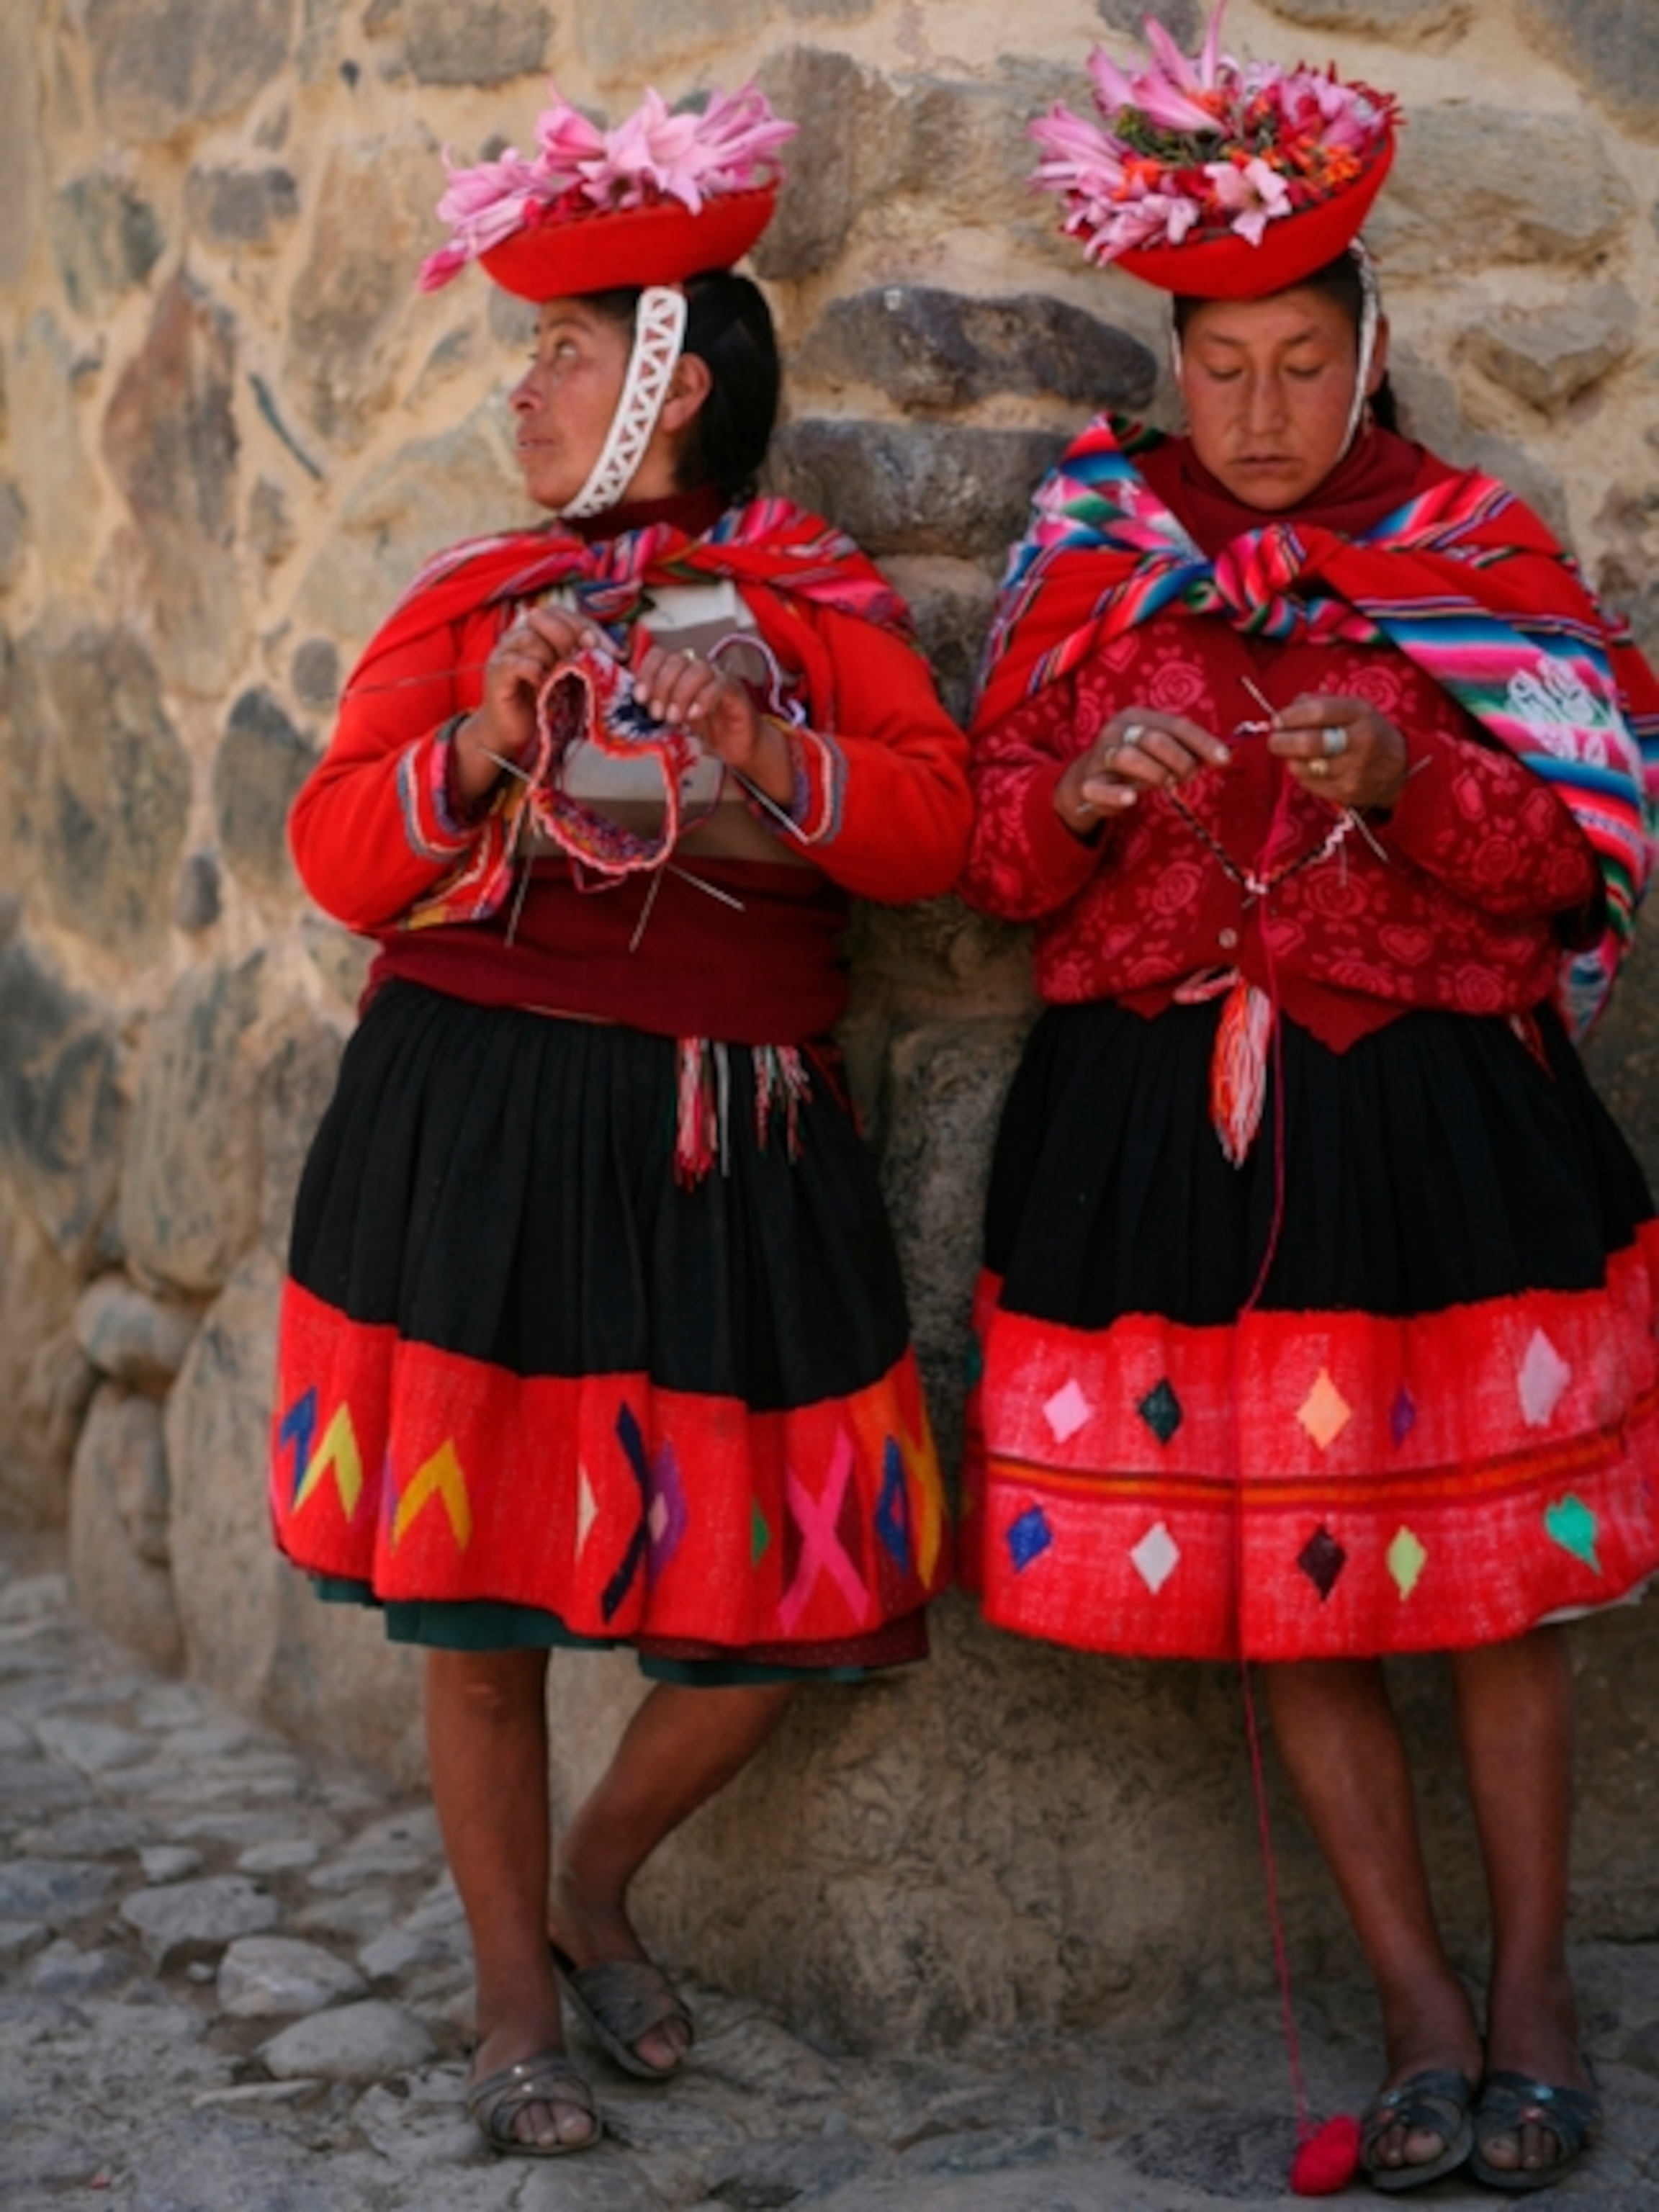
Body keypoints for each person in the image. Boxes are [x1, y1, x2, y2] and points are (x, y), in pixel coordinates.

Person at [960, 7, 1659, 2195]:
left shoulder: (1476, 552)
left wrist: (1420, 773)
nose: (1255, 415)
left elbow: (1577, 859)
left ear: (1366, 359)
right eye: (1220, 368)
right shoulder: (1091, 556)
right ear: (1176, 364)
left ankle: (1535, 1989)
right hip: (1176, 1130)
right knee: (1301, 1585)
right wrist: (1077, 787)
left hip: (1430, 1134)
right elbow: (991, 859)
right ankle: (1418, 2009)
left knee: (1489, 1587)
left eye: (1298, 367)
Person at [270, 83, 968, 2159]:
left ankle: (594, 1881)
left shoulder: (823, 608)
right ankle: (511, 2005)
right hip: (476, 1114)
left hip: (730, 1135)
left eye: (568, 352)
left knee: (795, 1601)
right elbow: (333, 853)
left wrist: (761, 730)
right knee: (476, 1602)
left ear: (669, 384)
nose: (526, 386)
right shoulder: (470, 598)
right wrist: (487, 741)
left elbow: (932, 837)